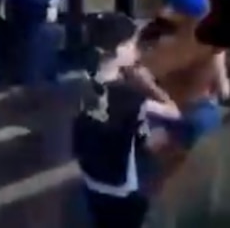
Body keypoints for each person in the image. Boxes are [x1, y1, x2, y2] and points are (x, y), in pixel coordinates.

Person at [72, 12, 181, 228]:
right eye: (131, 43)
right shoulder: (132, 97)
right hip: (121, 189)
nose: (135, 48)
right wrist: (147, 83)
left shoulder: (86, 80)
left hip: (92, 181)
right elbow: (173, 112)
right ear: (118, 50)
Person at [144, 0, 230, 227]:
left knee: (170, 183)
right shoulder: (213, 46)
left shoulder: (159, 44)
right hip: (199, 115)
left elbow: (144, 76)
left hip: (165, 118)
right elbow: (224, 90)